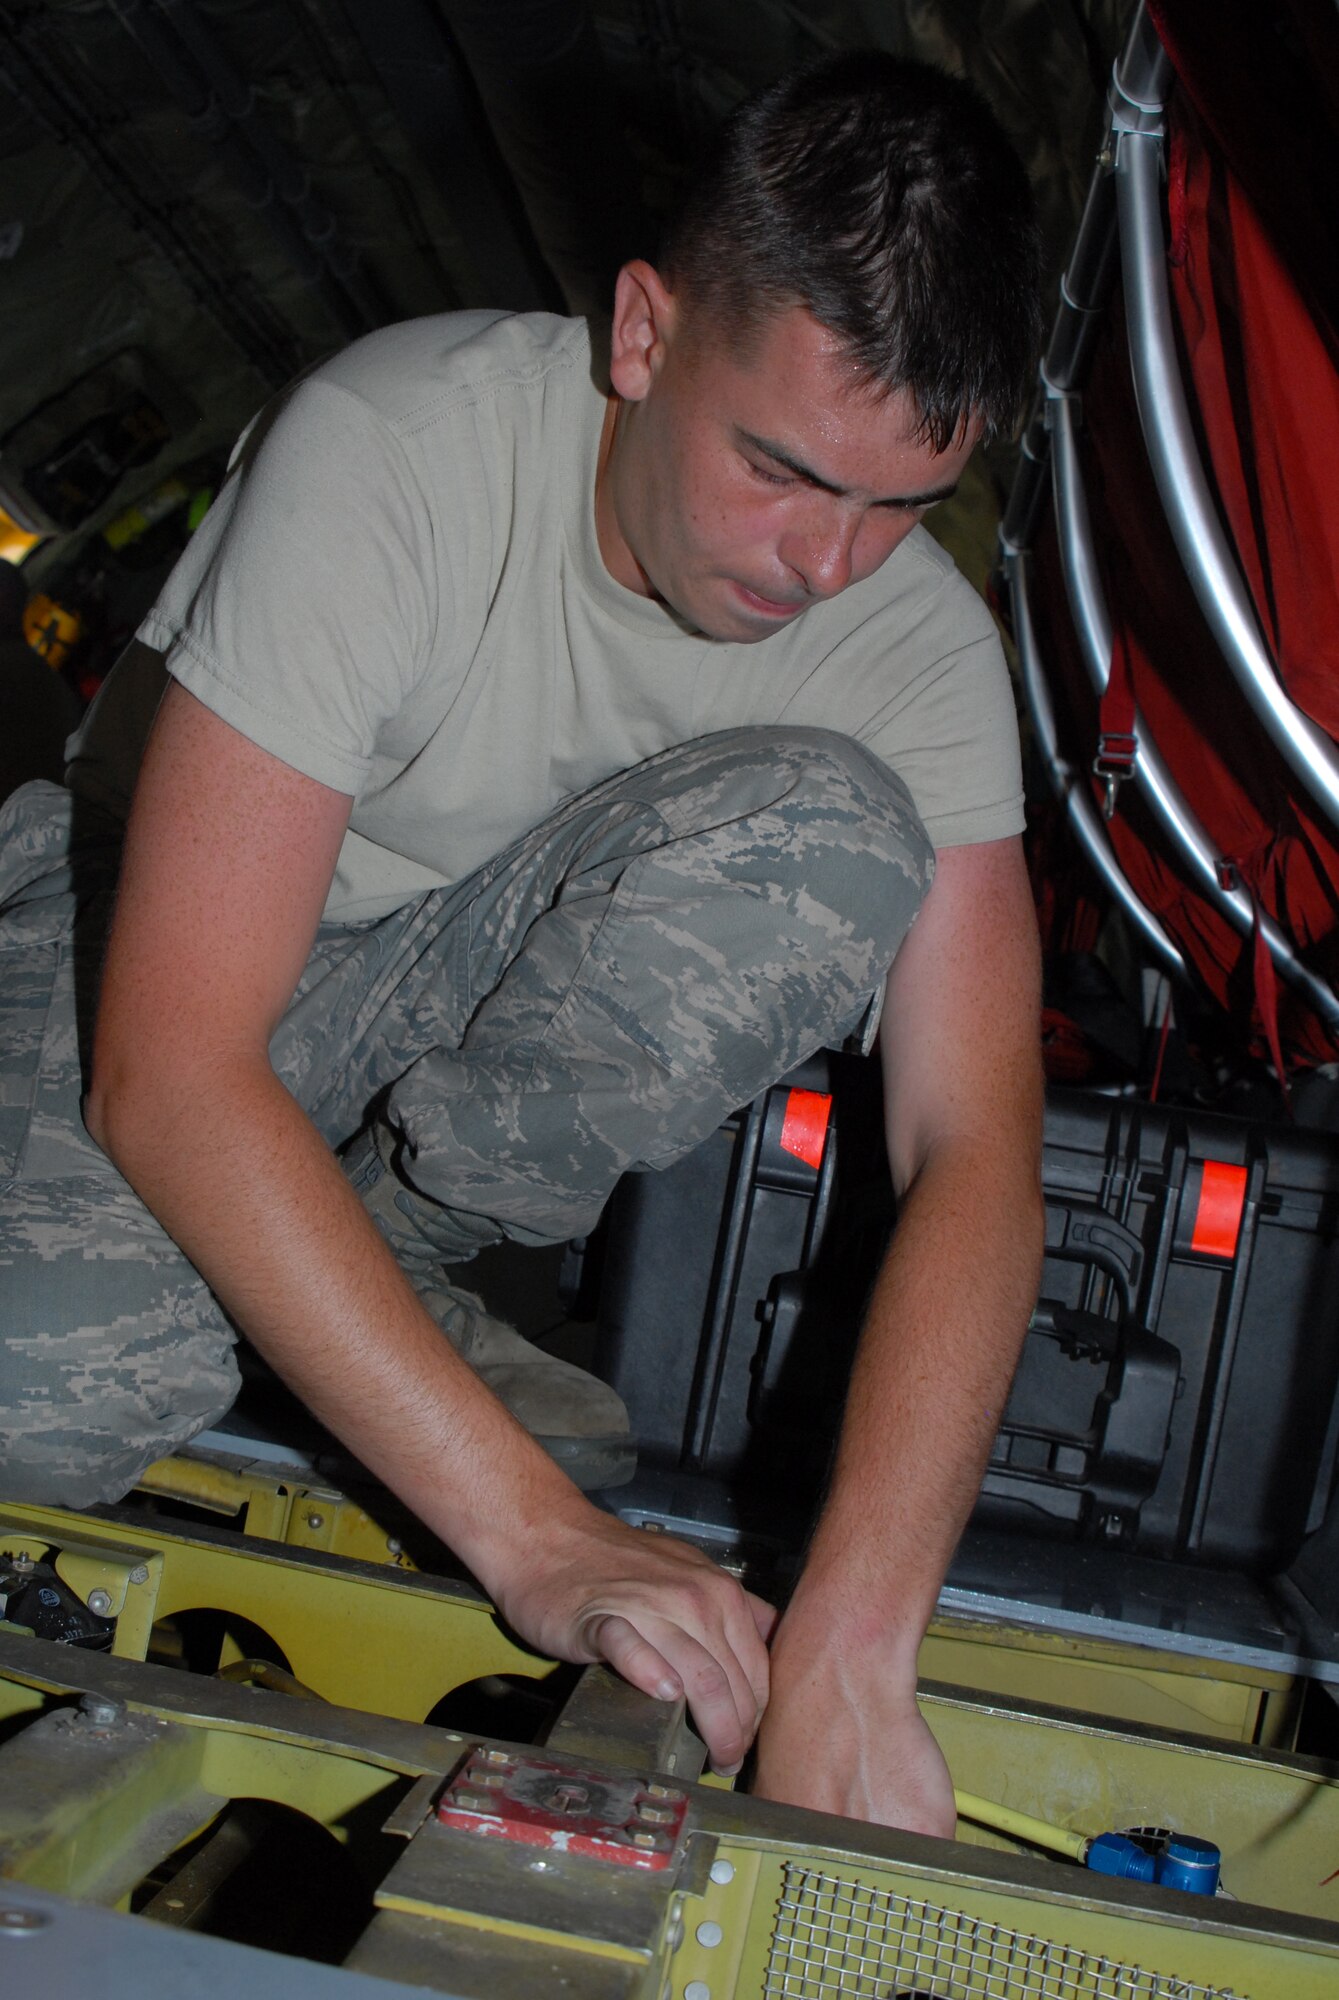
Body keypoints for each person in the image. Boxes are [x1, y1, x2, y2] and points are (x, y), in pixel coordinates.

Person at [0, 52, 1044, 1833]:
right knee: (47, 1385)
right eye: (783, 469)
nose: (826, 562)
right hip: (133, 946)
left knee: (837, 831)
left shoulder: (916, 649)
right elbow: (172, 1068)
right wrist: (536, 1536)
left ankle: (370, 1272)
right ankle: (329, 1321)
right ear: (644, 335)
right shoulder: (399, 449)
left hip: (404, 1023)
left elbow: (974, 1145)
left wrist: (863, 1643)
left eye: (897, 502)